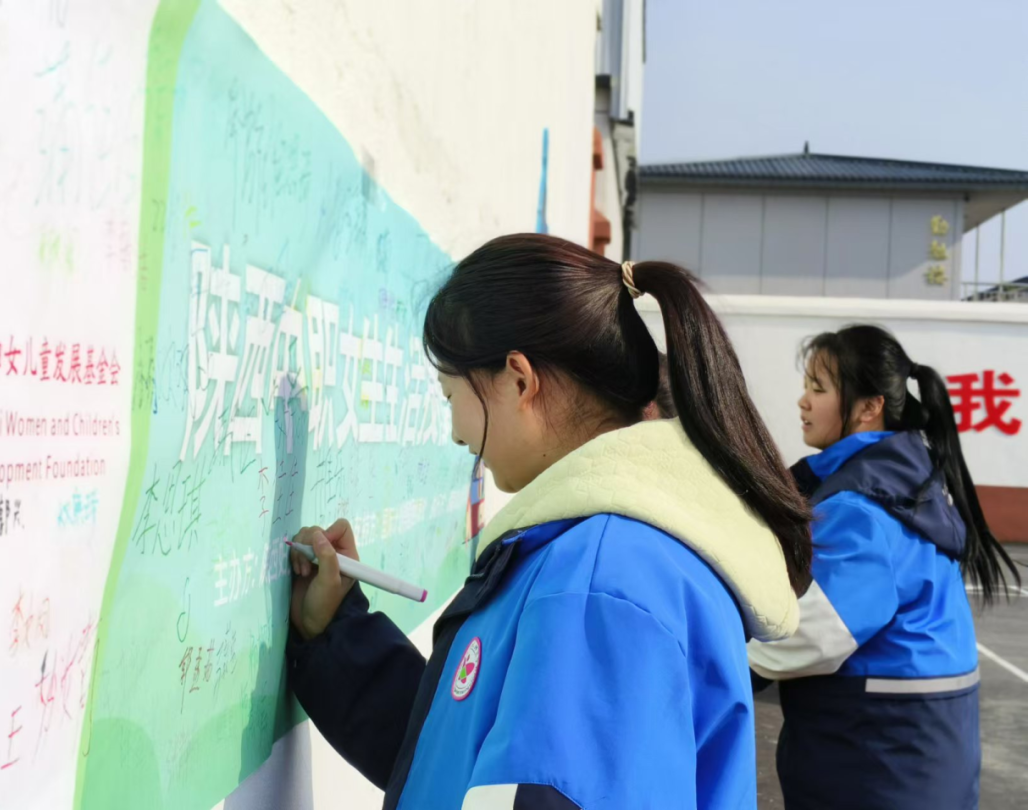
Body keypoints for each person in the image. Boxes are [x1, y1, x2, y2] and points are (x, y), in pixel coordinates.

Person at [286, 234, 811, 809]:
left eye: (450, 395)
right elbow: (464, 760)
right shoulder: (607, 556)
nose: (456, 432)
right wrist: (337, 633)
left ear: (518, 379)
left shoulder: (598, 580)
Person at [748, 324, 1021, 810]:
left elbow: (812, 635)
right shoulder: (908, 482)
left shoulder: (862, 507)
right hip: (921, 751)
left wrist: (724, 658)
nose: (802, 402)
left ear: (870, 407)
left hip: (879, 755)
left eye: (819, 388)